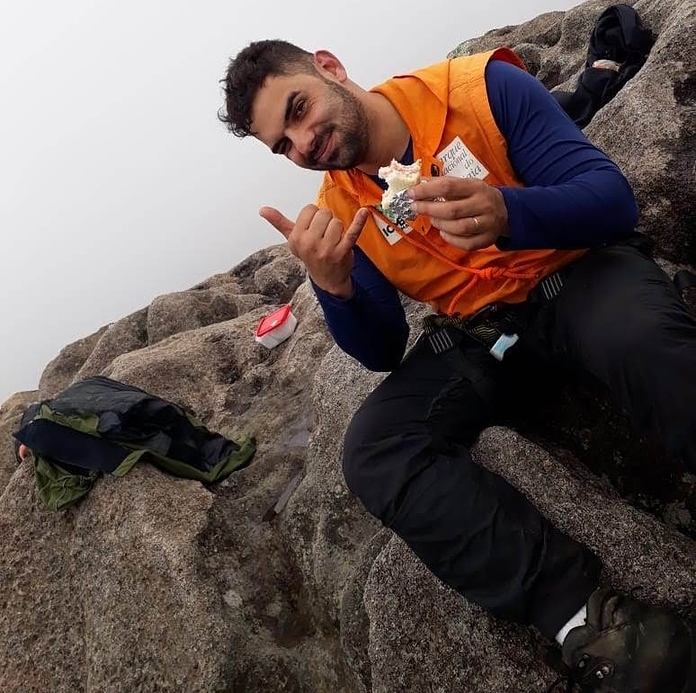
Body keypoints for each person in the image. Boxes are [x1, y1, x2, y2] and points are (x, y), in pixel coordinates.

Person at [219, 39, 696, 691]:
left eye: (298, 110)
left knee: (639, 337)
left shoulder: (480, 91)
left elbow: (610, 199)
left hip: (577, 278)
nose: (303, 143)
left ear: (329, 67)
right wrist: (338, 293)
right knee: (376, 450)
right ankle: (591, 622)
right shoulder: (343, 209)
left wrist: (508, 211)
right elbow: (382, 350)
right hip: (492, 337)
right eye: (282, 145)